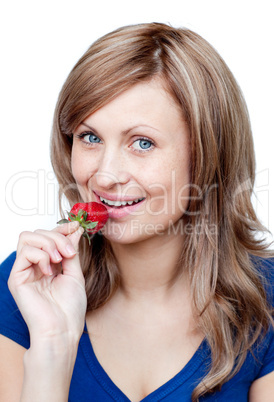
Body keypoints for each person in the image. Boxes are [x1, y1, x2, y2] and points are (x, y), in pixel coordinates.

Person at [0, 22, 273, 402]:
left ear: (207, 154)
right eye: (90, 137)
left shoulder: (267, 299)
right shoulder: (27, 283)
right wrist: (53, 346)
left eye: (142, 142)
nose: (105, 175)